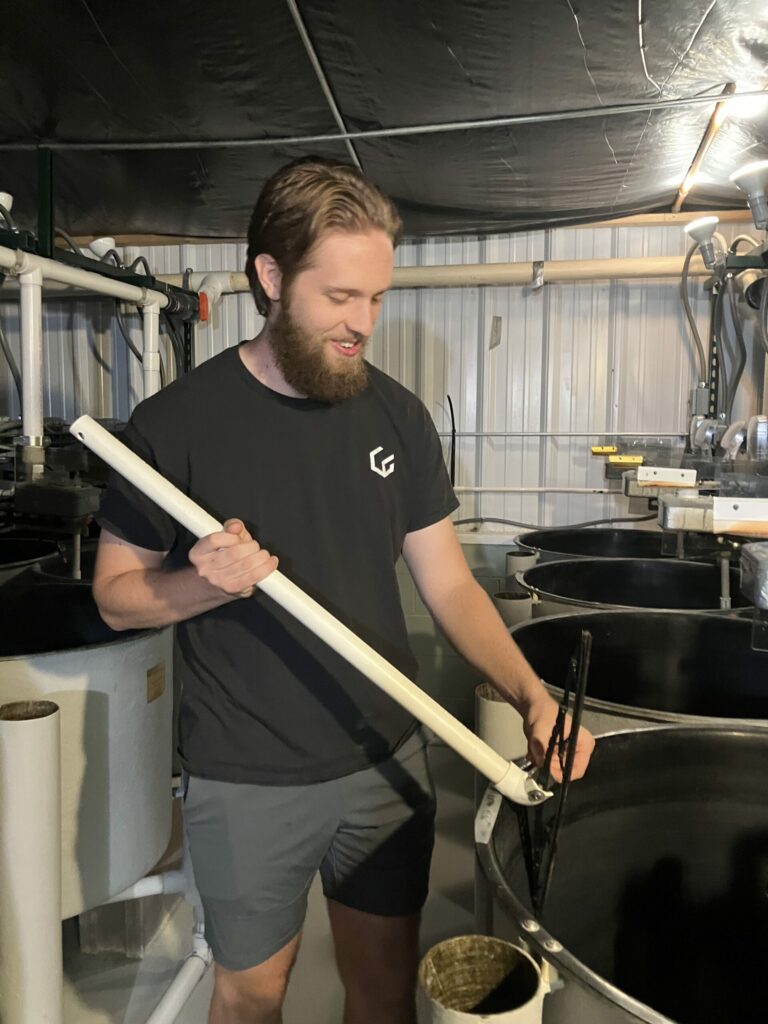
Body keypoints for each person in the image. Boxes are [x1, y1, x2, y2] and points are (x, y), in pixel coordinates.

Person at [93, 157, 594, 1024]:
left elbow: (450, 585)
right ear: (271, 277)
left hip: (386, 757)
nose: (362, 322)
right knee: (251, 998)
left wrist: (531, 696)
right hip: (247, 774)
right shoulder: (174, 425)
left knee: (382, 990)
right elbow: (114, 595)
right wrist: (200, 584)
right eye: (339, 297)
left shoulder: (397, 416)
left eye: (376, 299)